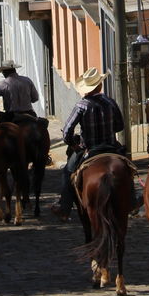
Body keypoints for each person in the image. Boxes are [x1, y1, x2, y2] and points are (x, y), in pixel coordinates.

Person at [51, 67, 136, 220]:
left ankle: (64, 207)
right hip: (111, 146)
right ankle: (132, 200)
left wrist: (73, 144)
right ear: (100, 86)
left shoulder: (81, 105)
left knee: (68, 172)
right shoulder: (110, 102)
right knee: (128, 169)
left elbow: (66, 132)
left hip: (89, 149)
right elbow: (120, 126)